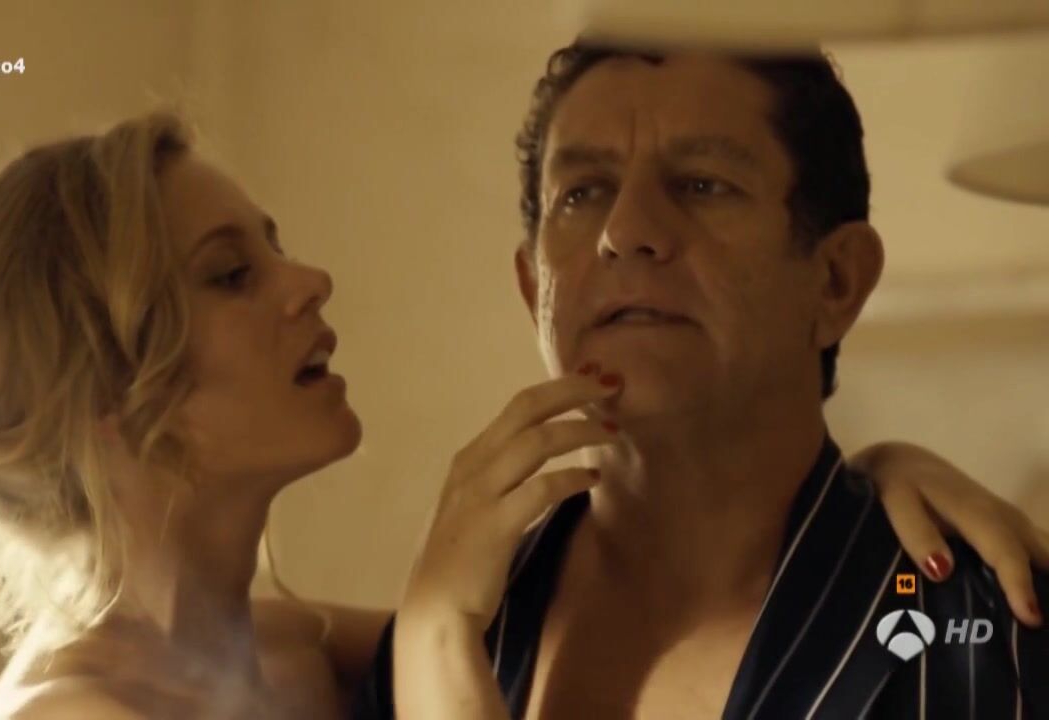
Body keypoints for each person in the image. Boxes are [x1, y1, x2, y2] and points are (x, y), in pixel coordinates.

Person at [0, 112, 1046, 719]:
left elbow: (651, 624)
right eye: (230, 274)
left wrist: (864, 481)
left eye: (273, 246)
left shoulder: (285, 649)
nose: (307, 282)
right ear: (109, 397)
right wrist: (429, 636)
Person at [365, 42, 1049, 719]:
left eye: (701, 184)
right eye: (583, 193)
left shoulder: (990, 635)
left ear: (836, 281)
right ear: (532, 287)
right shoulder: (444, 640)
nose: (625, 230)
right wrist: (436, 638)